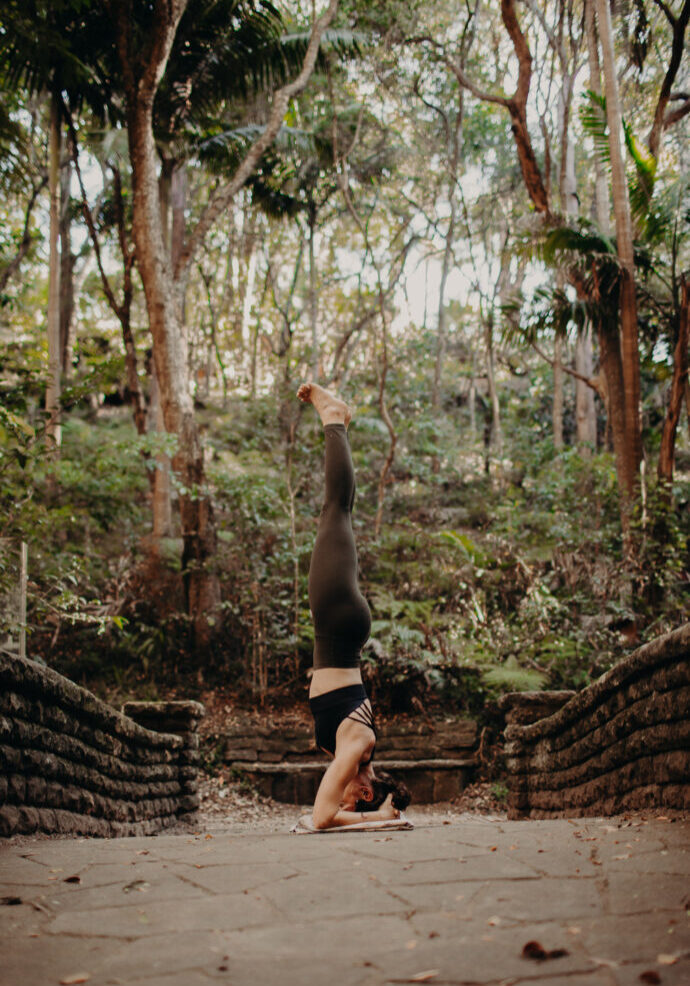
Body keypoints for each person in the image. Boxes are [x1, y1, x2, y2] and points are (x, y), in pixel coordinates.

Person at [297, 382, 410, 829]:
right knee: (335, 510)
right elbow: (321, 819)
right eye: (354, 801)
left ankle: (337, 423)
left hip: (337, 628)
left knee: (336, 513)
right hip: (337, 625)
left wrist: (381, 816)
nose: (344, 801)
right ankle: (333, 417)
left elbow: (325, 816)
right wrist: (381, 821)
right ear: (365, 790)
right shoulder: (357, 745)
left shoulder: (358, 747)